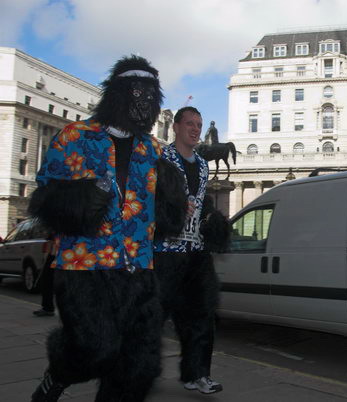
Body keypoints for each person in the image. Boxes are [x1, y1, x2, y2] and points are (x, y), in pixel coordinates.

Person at [28, 55, 186, 402]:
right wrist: (89, 196)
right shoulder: (75, 136)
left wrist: (173, 196)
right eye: (136, 92)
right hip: (85, 268)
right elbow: (44, 197)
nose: (143, 101)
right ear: (116, 94)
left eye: (150, 95)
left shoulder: (155, 151)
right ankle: (58, 373)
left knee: (138, 368)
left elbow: (168, 220)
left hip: (138, 272)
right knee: (94, 348)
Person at [154, 106, 230, 395]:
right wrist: (171, 208)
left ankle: (197, 374)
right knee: (154, 317)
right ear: (175, 126)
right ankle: (135, 373)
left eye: (199, 124)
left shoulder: (202, 163)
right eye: (190, 124)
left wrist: (211, 219)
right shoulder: (161, 158)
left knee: (202, 314)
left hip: (196, 250)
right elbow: (147, 199)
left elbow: (201, 201)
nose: (196, 129)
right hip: (164, 250)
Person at [32, 234, 57, 317]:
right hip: (58, 254)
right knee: (47, 281)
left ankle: (48, 308)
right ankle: (48, 307)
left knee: (47, 281)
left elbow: (51, 242)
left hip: (57, 254)